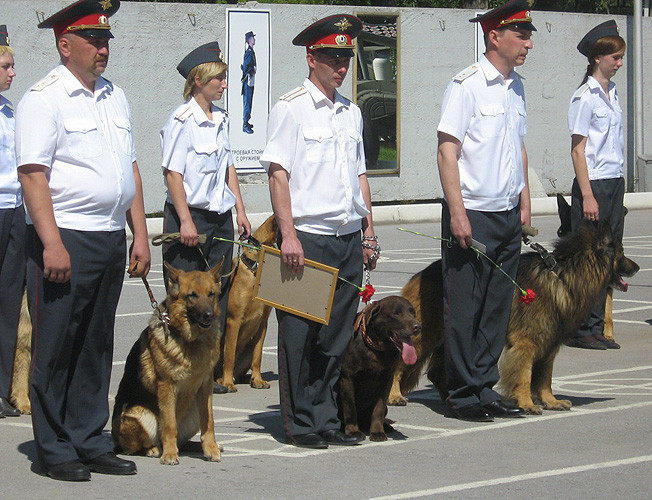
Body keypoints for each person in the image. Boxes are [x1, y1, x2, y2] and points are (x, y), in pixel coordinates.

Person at [15, 0, 150, 481]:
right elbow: (34, 175)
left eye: (106, 39)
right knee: (56, 346)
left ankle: (89, 438)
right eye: (94, 40)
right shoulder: (44, 97)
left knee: (95, 344)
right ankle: (53, 448)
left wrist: (139, 232)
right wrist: (51, 243)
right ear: (64, 44)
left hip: (109, 236)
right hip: (65, 236)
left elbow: (129, 166)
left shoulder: (114, 95)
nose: (103, 48)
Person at [260, 14, 378, 449]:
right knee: (300, 335)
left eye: (345, 56)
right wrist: (287, 234)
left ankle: (327, 415)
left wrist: (368, 231)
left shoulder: (352, 113)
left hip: (347, 235)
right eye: (331, 56)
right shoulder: (290, 107)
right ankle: (300, 422)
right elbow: (278, 173)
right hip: (307, 236)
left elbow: (360, 176)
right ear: (312, 58)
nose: (340, 65)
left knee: (334, 336)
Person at [436, 0, 534, 422]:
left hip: (507, 212)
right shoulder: (467, 85)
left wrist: (526, 200)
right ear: (494, 36)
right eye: (521, 34)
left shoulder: (517, 87)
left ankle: (481, 384)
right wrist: (457, 212)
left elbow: (518, 148)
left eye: (529, 35)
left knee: (497, 305)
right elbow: (447, 151)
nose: (528, 43)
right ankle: (460, 392)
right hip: (472, 211)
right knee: (465, 305)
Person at [161, 41, 251, 363]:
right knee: (184, 299)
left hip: (220, 218)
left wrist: (240, 210)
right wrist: (185, 220)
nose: (225, 85)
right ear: (199, 80)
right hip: (190, 219)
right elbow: (172, 174)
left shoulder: (222, 119)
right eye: (219, 79)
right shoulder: (181, 120)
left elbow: (229, 169)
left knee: (218, 295)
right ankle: (178, 361)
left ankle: (210, 371)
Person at [565, 20, 626, 351]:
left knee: (608, 255)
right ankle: (581, 327)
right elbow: (578, 149)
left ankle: (597, 325)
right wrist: (587, 194)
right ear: (597, 58)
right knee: (589, 257)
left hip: (614, 180)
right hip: (595, 184)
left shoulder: (611, 93)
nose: (618, 63)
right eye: (614, 57)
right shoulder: (584, 97)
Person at [0, 24, 24, 419]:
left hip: (14, 208)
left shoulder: (9, 111)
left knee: (8, 302)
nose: (12, 72)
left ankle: (2, 386)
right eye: (6, 65)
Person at [241, 31, 256, 134]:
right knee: (247, 102)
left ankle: (247, 121)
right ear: (249, 40)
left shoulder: (251, 51)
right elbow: (246, 67)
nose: (254, 40)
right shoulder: (249, 52)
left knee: (249, 101)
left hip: (250, 79)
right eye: (253, 38)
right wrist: (252, 70)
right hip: (248, 80)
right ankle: (245, 124)